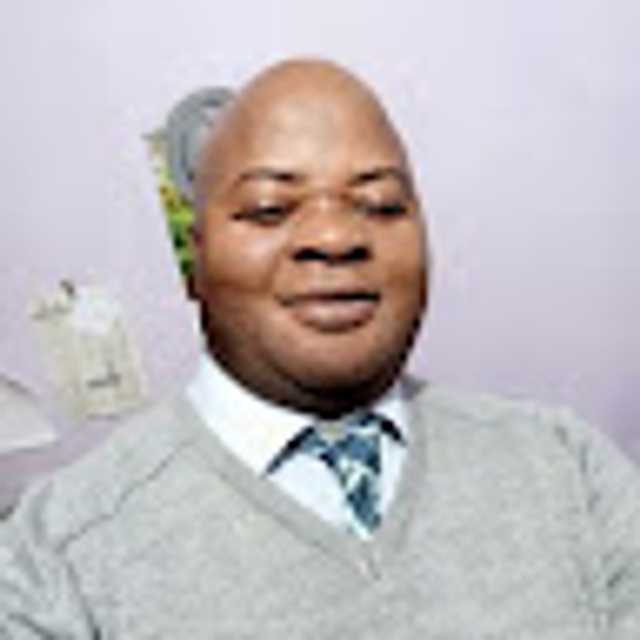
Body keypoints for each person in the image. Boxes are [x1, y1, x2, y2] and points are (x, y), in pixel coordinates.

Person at [1, 59, 639, 639]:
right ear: (195, 263)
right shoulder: (55, 557)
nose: (334, 237)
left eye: (381, 205)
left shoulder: (567, 468)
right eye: (269, 208)